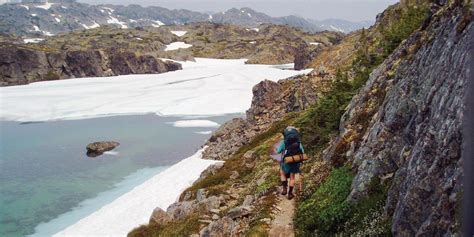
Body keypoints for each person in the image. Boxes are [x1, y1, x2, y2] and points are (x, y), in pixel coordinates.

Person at [276, 126, 305, 200]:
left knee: (282, 173)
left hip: (285, 161)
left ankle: (284, 189)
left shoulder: (283, 142)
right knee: (292, 177)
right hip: (295, 162)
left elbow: (278, 151)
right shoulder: (298, 142)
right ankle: (290, 194)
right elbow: (302, 152)